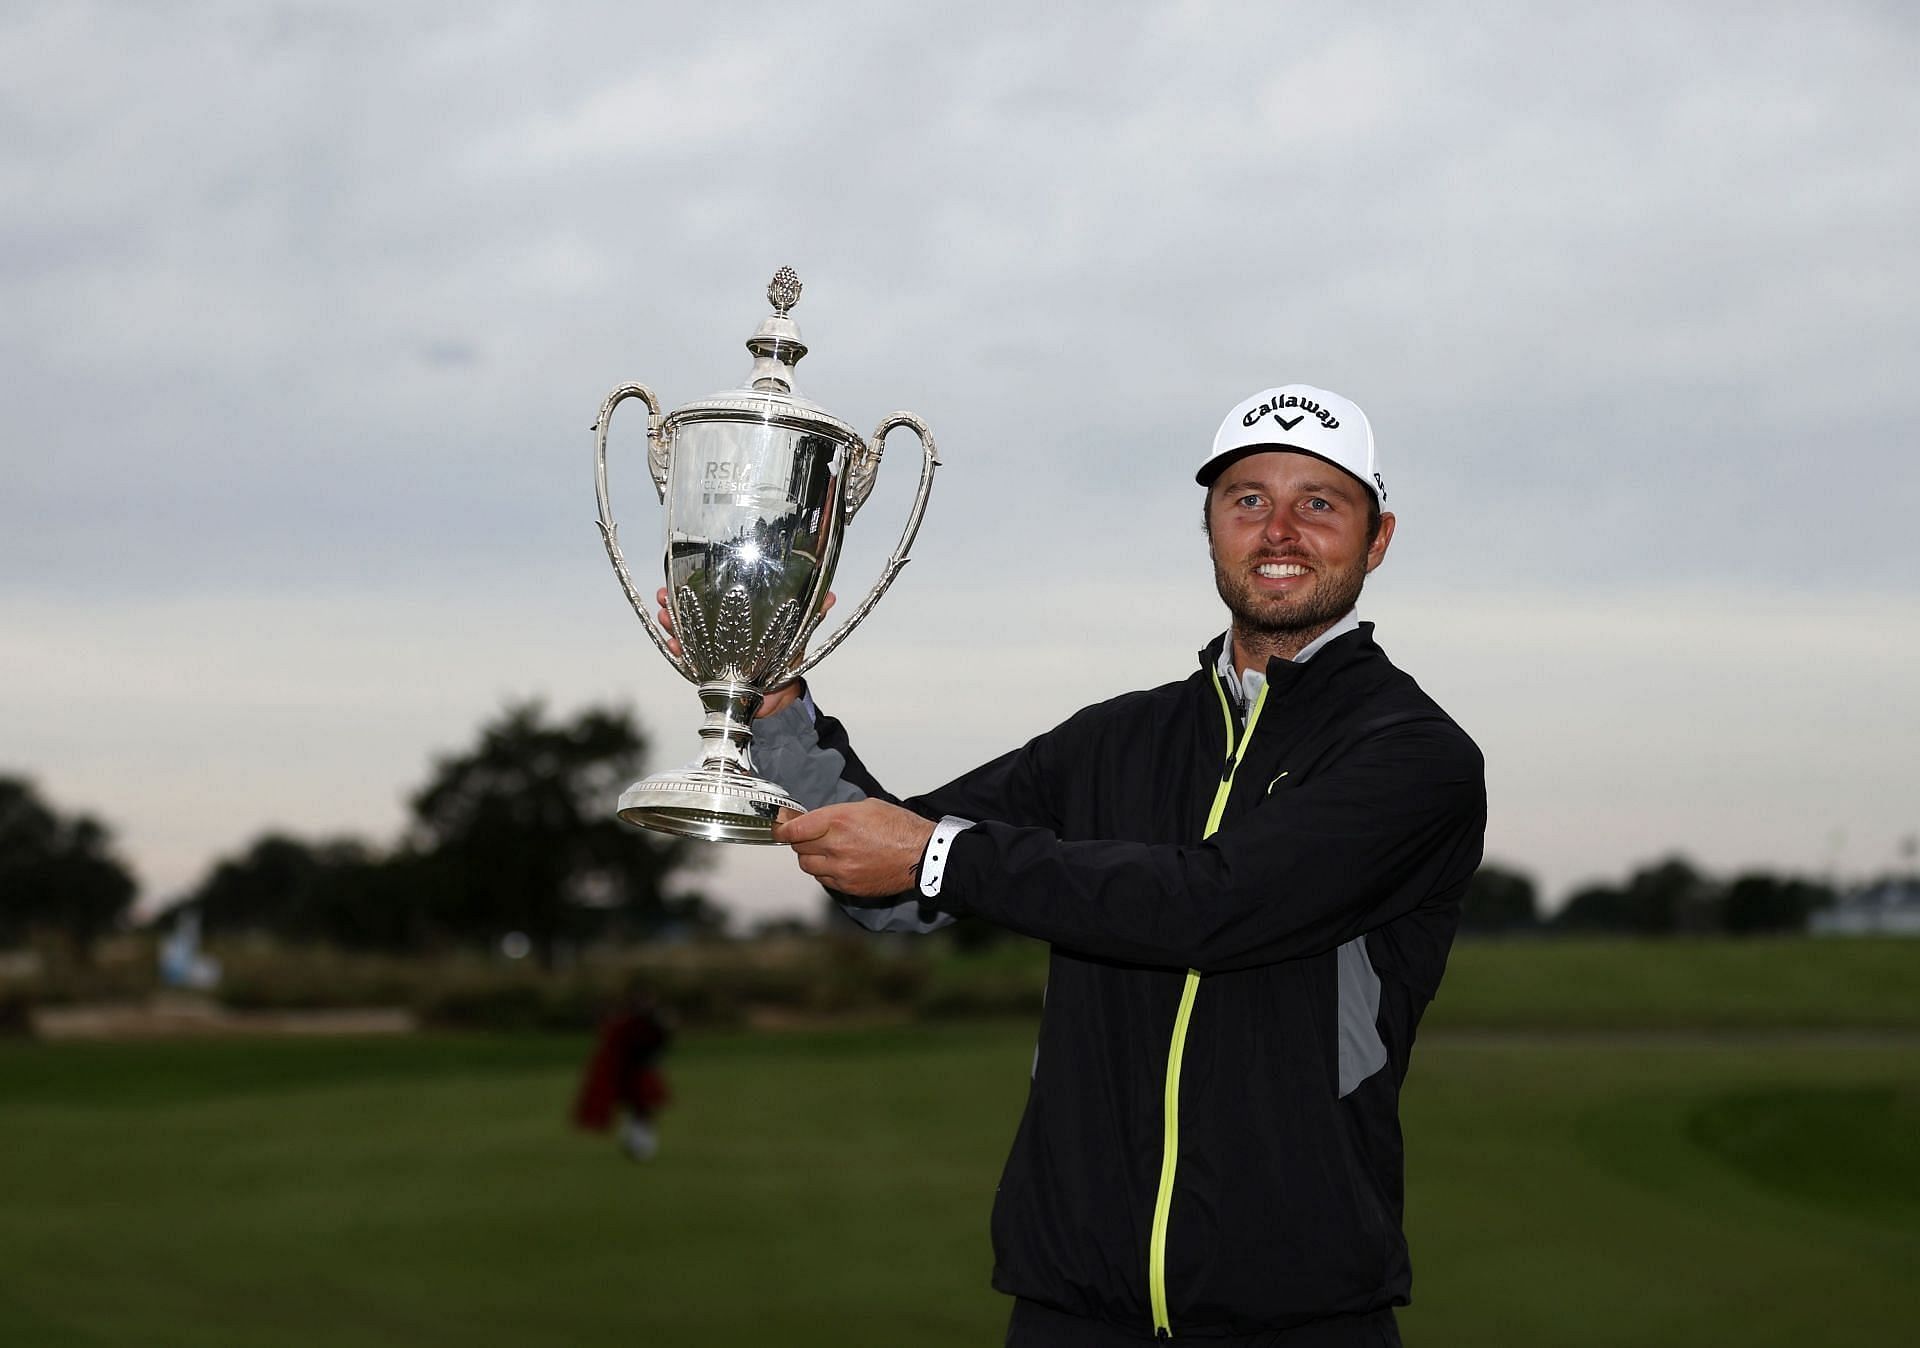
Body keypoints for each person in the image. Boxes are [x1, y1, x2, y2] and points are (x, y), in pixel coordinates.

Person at [677, 384, 1486, 1344]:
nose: (1280, 529)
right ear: (1212, 527)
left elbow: (1212, 908)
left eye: (1319, 502)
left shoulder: (1413, 755)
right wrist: (773, 710)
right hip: (1072, 1304)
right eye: (1247, 499)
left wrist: (941, 856)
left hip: (1298, 1310)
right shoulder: (1117, 739)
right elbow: (900, 879)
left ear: (1377, 537)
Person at [571, 977, 673, 1161]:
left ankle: (642, 1140)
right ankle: (637, 1138)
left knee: (644, 1106)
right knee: (635, 1105)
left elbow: (661, 1042)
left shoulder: (655, 1021)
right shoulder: (626, 1021)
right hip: (628, 1070)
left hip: (643, 1068)